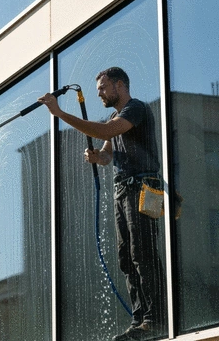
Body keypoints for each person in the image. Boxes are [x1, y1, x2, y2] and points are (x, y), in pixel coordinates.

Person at [38, 67, 165, 341]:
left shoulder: (135, 109)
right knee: (126, 258)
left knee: (142, 252)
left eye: (103, 88)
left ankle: (157, 320)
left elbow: (108, 130)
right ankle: (140, 319)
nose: (100, 94)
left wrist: (61, 115)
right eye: (97, 90)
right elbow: (108, 154)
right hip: (124, 191)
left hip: (144, 187)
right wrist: (98, 157)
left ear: (120, 85)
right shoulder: (115, 116)